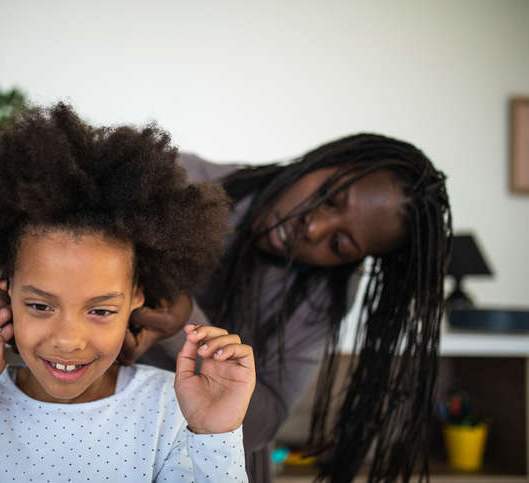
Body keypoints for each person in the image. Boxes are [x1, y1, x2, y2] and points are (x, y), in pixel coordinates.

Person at [0, 103, 256, 482]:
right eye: (40, 305)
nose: (66, 339)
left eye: (100, 311)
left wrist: (215, 436)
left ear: (137, 297)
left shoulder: (175, 409)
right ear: (6, 290)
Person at [117, 136, 453, 482]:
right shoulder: (174, 180)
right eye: (329, 197)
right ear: (321, 160)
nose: (312, 228)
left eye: (339, 244)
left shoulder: (323, 290)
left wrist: (183, 328)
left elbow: (266, 421)